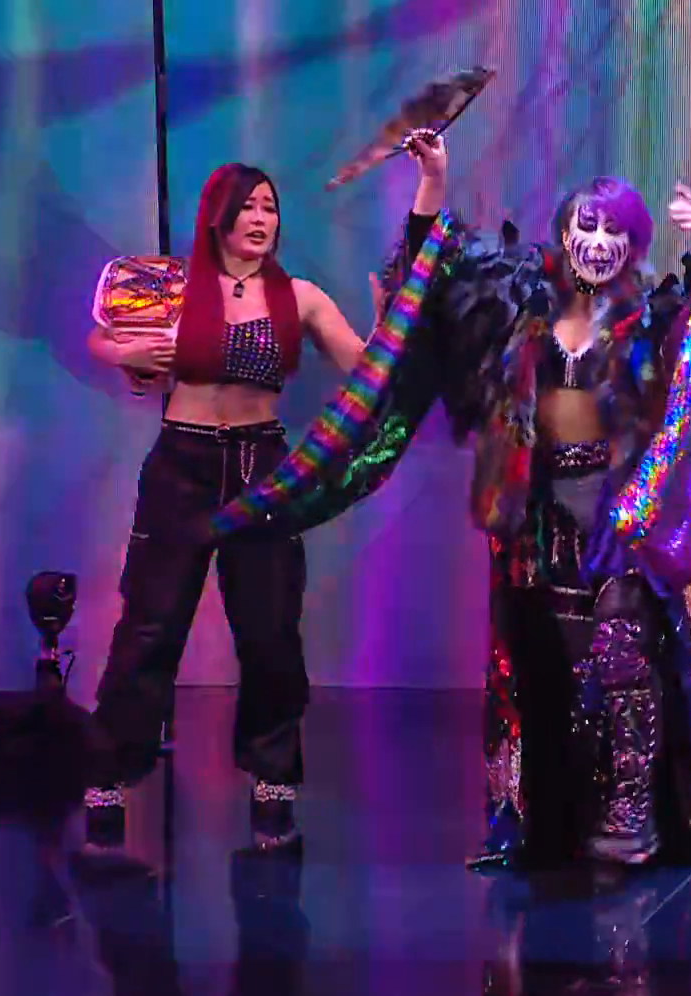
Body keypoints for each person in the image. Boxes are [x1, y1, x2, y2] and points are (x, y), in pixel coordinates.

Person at [255, 159, 691, 870]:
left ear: (634, 244)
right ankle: (558, 817)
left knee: (624, 653)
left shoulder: (657, 316)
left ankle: (632, 812)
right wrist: (433, 185)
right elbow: (429, 292)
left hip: (626, 512)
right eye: (586, 225)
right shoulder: (519, 308)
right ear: (565, 233)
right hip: (541, 514)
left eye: (614, 231)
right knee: (547, 666)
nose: (598, 242)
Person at [80, 144, 447, 852]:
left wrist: (386, 328)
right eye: (247, 206)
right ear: (218, 217)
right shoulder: (176, 286)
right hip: (182, 467)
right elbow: (103, 338)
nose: (260, 218)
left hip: (264, 471)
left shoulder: (300, 296)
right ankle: (110, 774)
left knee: (270, 632)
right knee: (150, 628)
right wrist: (126, 354)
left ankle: (272, 778)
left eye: (270, 208)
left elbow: (365, 370)